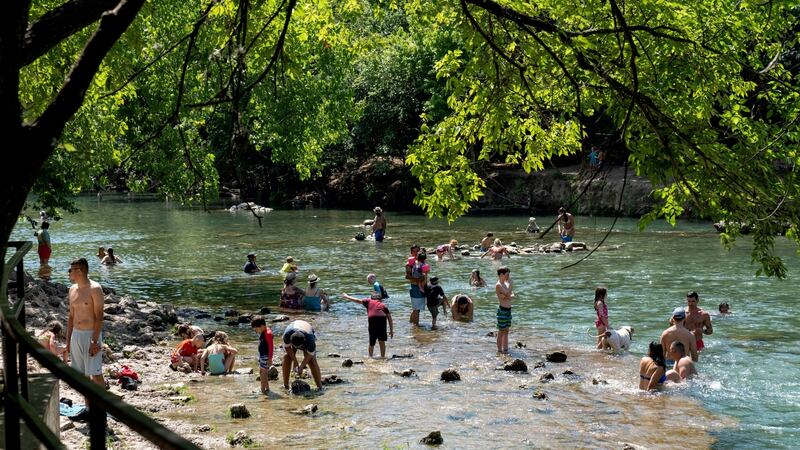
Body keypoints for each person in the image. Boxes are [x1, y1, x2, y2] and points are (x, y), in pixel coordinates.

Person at [65, 258, 105, 388]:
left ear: (79, 271)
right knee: (81, 377)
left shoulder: (95, 289)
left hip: (91, 335)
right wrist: (67, 343)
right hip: (76, 335)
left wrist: (94, 342)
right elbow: (71, 316)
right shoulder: (72, 289)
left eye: (70, 270)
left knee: (96, 375)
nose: (68, 273)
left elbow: (99, 316)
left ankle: (102, 407)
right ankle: (89, 407)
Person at [341, 293, 394, 358]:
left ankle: (370, 357)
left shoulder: (368, 301)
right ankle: (382, 357)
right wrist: (391, 330)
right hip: (382, 320)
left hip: (372, 321)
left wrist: (347, 296)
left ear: (371, 298)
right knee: (382, 341)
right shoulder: (383, 305)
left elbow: (357, 300)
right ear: (380, 299)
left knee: (372, 342)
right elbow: (389, 318)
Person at [282, 320, 322, 391]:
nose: (298, 349)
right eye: (295, 346)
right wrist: (295, 361)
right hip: (293, 328)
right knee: (287, 357)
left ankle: (319, 386)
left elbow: (309, 355)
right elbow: (287, 348)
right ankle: (286, 385)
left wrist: (301, 366)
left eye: (299, 347)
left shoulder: (310, 340)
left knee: (311, 361)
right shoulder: (287, 336)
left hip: (306, 328)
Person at [250, 317, 274, 394]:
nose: (256, 331)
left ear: (261, 326)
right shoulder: (264, 331)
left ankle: (262, 390)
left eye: (256, 329)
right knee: (263, 372)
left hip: (266, 356)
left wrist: (270, 358)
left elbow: (271, 346)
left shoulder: (268, 333)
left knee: (263, 373)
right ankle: (266, 388)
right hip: (262, 355)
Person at [495, 266, 514, 353]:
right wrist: (511, 284)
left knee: (506, 331)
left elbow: (511, 295)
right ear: (501, 274)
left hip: (508, 310)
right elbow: (507, 293)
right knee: (501, 331)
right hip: (502, 310)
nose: (508, 276)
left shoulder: (506, 284)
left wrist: (508, 295)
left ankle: (505, 350)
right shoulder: (498, 285)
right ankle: (499, 350)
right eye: (507, 274)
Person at [405, 245, 425, 327]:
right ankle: (416, 327)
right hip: (415, 287)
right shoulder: (410, 263)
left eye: (418, 251)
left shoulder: (421, 261)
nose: (416, 253)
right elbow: (407, 276)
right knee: (416, 308)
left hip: (421, 287)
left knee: (416, 308)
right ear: (411, 252)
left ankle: (411, 324)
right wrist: (418, 280)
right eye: (414, 251)